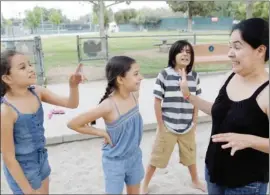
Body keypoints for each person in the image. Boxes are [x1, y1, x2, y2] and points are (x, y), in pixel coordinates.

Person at [179, 18, 269, 195]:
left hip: (246, 184)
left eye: (237, 47)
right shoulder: (230, 76)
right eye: (230, 47)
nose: (229, 53)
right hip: (213, 173)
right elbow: (219, 112)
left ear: (260, 50)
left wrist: (249, 140)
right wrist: (188, 95)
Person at [1, 50, 83, 194]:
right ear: (7, 78)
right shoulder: (6, 110)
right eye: (22, 67)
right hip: (23, 168)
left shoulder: (37, 92)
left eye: (30, 64)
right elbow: (8, 157)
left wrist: (73, 86)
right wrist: (28, 191)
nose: (31, 69)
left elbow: (71, 103)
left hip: (41, 158)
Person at [67, 56, 144, 194]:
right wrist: (101, 132)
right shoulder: (108, 106)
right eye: (136, 74)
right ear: (120, 79)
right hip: (115, 162)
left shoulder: (134, 95)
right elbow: (73, 124)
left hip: (135, 157)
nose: (141, 77)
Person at [141, 40, 206, 194]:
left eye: (188, 52)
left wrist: (194, 122)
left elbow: (196, 101)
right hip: (168, 126)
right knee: (157, 157)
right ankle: (145, 184)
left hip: (187, 126)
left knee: (190, 155)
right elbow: (157, 101)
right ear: (173, 56)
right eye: (181, 51)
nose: (185, 54)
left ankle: (195, 180)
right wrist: (161, 125)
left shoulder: (194, 76)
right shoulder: (164, 74)